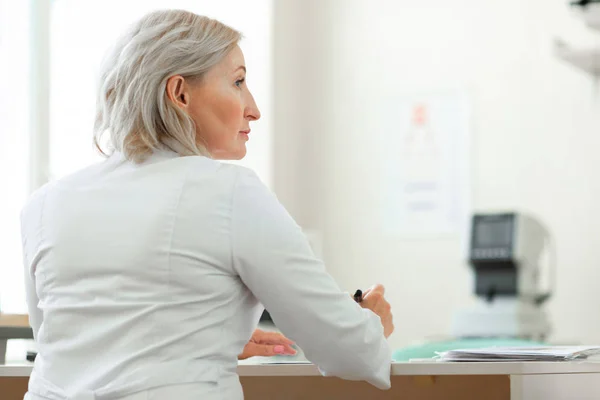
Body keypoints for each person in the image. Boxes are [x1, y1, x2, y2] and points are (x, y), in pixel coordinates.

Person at [20, 9, 394, 400]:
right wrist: (369, 324)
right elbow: (348, 351)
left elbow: (67, 341)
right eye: (238, 82)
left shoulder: (43, 205)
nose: (253, 108)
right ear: (180, 93)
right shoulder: (229, 191)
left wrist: (199, 337)